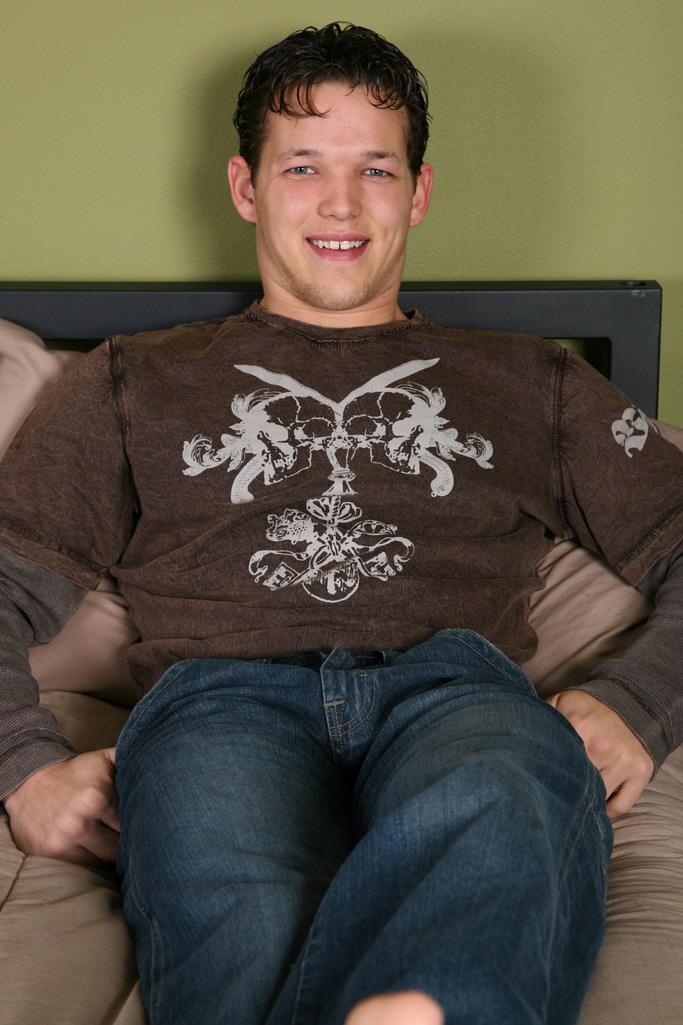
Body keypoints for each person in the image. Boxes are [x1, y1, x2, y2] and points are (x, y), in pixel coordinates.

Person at [1, 21, 682, 1025]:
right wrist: (21, 765)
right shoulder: (127, 382)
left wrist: (639, 701)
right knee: (234, 895)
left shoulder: (532, 381)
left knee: (504, 792)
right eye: (302, 166)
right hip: (217, 702)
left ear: (418, 191)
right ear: (245, 187)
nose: (340, 203)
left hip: (456, 690)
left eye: (375, 168)